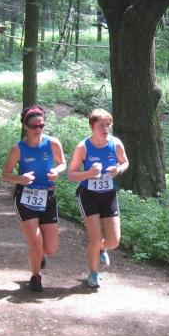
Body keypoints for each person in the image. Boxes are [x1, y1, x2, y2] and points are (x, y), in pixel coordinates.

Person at [1, 106, 66, 292]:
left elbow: (62, 163)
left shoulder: (52, 143)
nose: (38, 129)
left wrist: (57, 171)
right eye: (33, 126)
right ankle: (35, 276)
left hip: (48, 196)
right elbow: (5, 174)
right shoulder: (18, 149)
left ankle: (39, 255)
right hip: (26, 197)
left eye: (41, 126)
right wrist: (20, 179)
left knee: (50, 248)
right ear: (25, 126)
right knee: (36, 242)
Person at [67, 109, 129, 289]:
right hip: (88, 195)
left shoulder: (116, 143)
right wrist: (89, 173)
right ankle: (93, 273)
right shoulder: (83, 147)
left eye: (108, 124)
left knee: (114, 241)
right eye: (101, 125)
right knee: (95, 239)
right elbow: (71, 175)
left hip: (108, 194)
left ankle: (101, 248)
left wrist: (119, 170)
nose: (105, 128)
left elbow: (125, 162)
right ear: (92, 127)